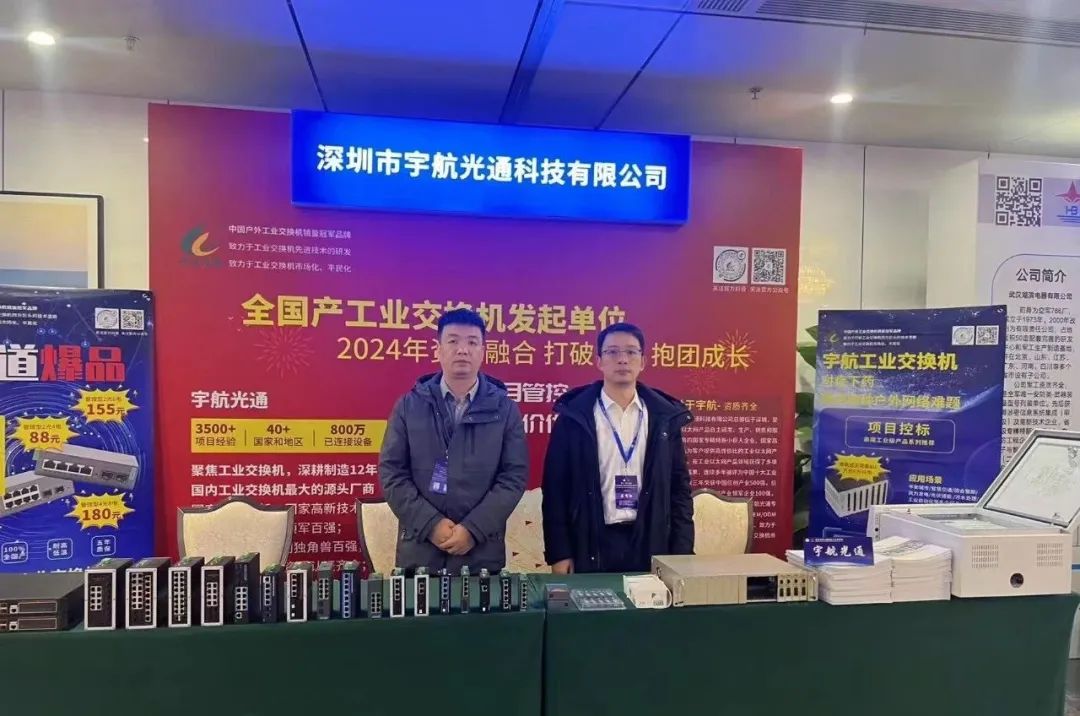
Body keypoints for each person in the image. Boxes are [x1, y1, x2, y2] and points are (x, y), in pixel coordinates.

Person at [379, 308, 528, 573]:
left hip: (481, 553)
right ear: (438, 349)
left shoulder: (505, 409)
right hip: (421, 552)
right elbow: (392, 473)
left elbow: (513, 477)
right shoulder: (409, 406)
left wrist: (473, 529)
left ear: (483, 351)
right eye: (453, 341)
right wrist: (431, 525)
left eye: (472, 342)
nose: (462, 350)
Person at [542, 322, 693, 574]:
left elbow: (679, 490)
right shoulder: (574, 417)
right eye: (612, 352)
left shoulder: (664, 418)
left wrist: (682, 553)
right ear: (599, 361)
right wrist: (560, 553)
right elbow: (555, 490)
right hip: (590, 540)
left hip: (650, 539)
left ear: (643, 361)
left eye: (631, 352)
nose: (622, 359)